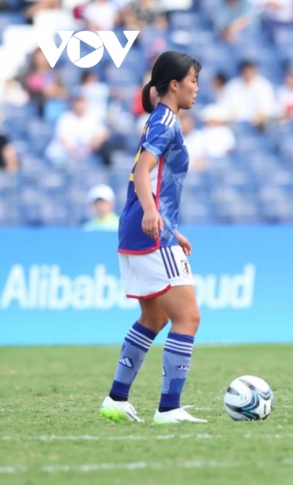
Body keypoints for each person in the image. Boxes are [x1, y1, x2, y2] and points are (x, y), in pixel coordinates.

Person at [99, 51, 207, 424]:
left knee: (154, 317)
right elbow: (143, 172)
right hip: (148, 231)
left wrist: (169, 225)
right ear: (174, 84)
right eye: (193, 80)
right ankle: (169, 407)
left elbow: (148, 177)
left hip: (144, 228)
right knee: (188, 317)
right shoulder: (166, 121)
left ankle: (116, 399)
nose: (197, 88)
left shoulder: (159, 119)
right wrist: (152, 214)